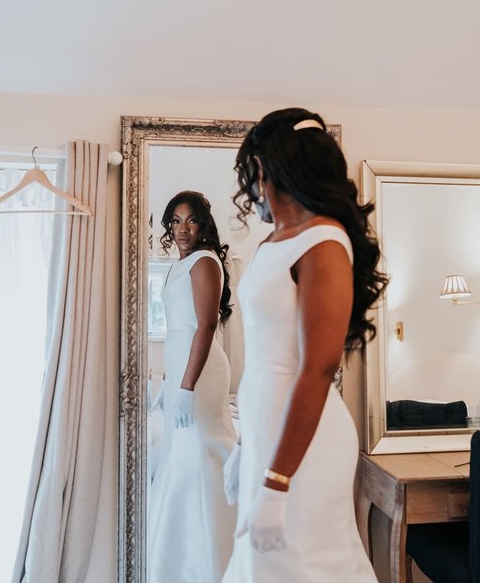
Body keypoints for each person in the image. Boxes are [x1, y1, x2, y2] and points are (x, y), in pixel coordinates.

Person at [221, 108, 388, 582]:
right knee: (264, 566)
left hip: (306, 444)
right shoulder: (274, 239)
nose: (251, 186)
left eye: (252, 170)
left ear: (271, 167)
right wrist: (246, 447)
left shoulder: (325, 242)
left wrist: (276, 481)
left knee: (302, 566)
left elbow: (317, 367)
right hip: (266, 431)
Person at [147, 191, 238, 583]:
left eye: (191, 220)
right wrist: (170, 382)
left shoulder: (205, 262)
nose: (183, 229)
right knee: (181, 452)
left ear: (203, 224)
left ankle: (213, 558)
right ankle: (181, 557)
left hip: (201, 373)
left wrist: (185, 387)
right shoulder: (176, 267)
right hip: (180, 365)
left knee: (200, 450)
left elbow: (205, 326)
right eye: (176, 220)